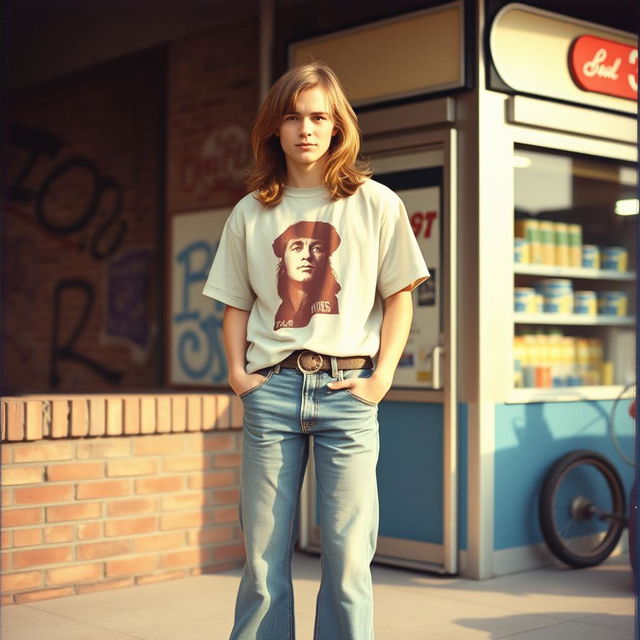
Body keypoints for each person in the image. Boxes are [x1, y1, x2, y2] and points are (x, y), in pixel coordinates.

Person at [202, 61, 429, 640]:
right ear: (274, 129)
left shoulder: (377, 204)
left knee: (350, 558)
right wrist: (237, 373)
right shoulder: (250, 211)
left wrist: (380, 380)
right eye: (293, 117)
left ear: (337, 127)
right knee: (261, 559)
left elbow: (400, 299)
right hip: (271, 391)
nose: (306, 128)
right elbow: (233, 303)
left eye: (318, 117)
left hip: (348, 394)